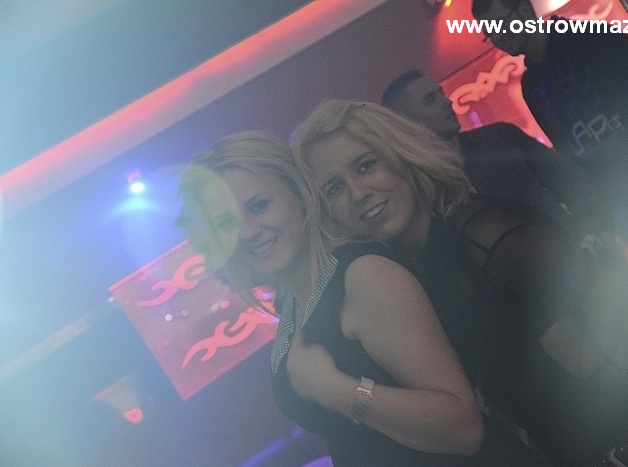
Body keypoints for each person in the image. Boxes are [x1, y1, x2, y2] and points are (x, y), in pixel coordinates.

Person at [291, 99, 628, 466]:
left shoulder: (483, 235)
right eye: (334, 189)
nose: (358, 193)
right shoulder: (412, 275)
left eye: (366, 165)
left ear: (401, 156)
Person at [176, 131, 507, 466]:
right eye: (226, 223)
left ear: (299, 193)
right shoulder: (292, 302)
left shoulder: (363, 275)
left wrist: (337, 390)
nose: (247, 232)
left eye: (259, 206)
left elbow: (464, 430)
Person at [471, 0, 628, 325]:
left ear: (522, 12)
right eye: (488, 33)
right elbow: (569, 154)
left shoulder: (583, 36)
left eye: (498, 25)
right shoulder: (532, 85)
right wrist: (603, 209)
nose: (497, 37)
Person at [381, 69, 605, 244]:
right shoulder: (420, 191)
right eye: (430, 100)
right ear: (406, 123)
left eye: (441, 93)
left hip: (573, 251)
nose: (447, 101)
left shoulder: (501, 137)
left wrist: (592, 233)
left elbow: (570, 179)